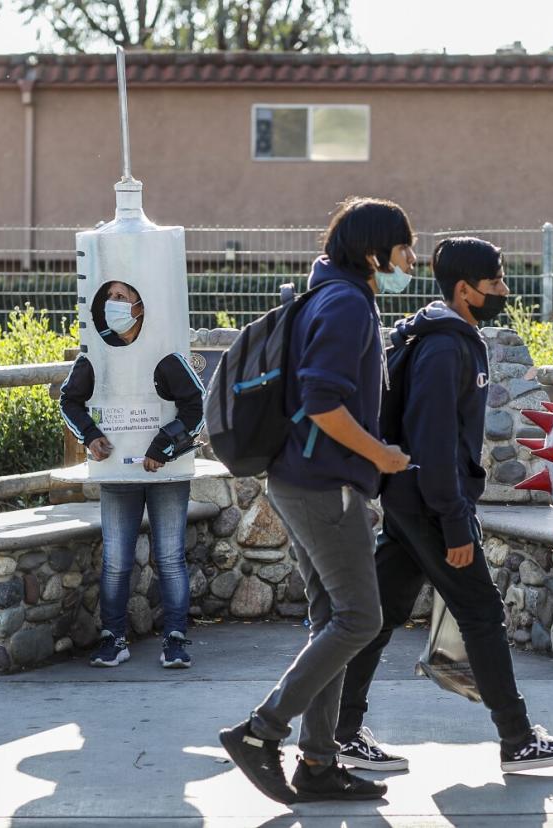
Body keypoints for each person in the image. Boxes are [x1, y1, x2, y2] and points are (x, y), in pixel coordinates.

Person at [333, 237, 553, 775]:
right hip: (430, 503)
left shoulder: (443, 335)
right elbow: (432, 441)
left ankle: (340, 731)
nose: (504, 290)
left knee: (377, 616)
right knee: (481, 613)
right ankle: (517, 739)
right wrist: (454, 523)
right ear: (464, 289)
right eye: (495, 281)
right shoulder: (445, 346)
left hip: (413, 501)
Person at [218, 197, 413, 805]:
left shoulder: (325, 294)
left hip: (302, 479)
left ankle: (319, 763)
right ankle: (263, 731)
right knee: (361, 618)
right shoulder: (347, 304)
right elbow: (324, 401)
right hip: (324, 484)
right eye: (405, 247)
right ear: (375, 251)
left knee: (333, 618)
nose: (412, 259)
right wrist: (379, 455)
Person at [59, 279, 205, 670]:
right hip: (117, 474)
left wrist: (163, 447)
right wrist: (90, 436)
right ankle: (114, 638)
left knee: (170, 557)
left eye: (121, 297)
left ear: (140, 305)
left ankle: (175, 639)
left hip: (166, 471)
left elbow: (194, 407)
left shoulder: (166, 356)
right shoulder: (95, 358)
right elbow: (69, 401)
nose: (113, 304)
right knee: (116, 560)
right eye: (108, 297)